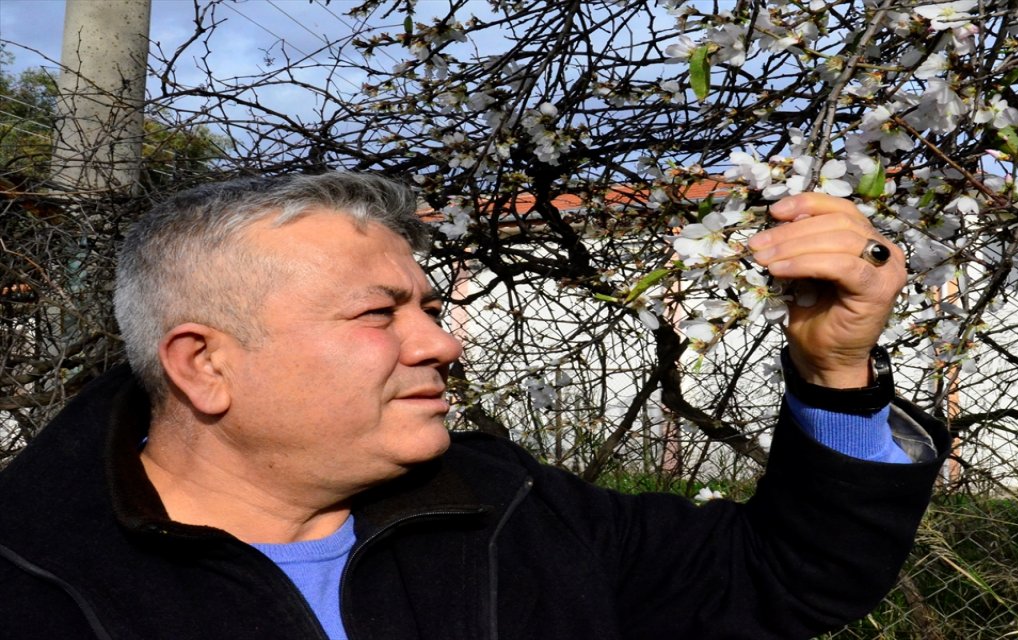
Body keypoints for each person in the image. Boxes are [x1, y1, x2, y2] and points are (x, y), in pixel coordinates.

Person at [0, 172, 948, 639]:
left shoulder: (508, 510)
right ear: (204, 365)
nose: (442, 343)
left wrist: (834, 368)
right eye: (381, 314)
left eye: (430, 307)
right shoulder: (31, 578)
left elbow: (786, 578)